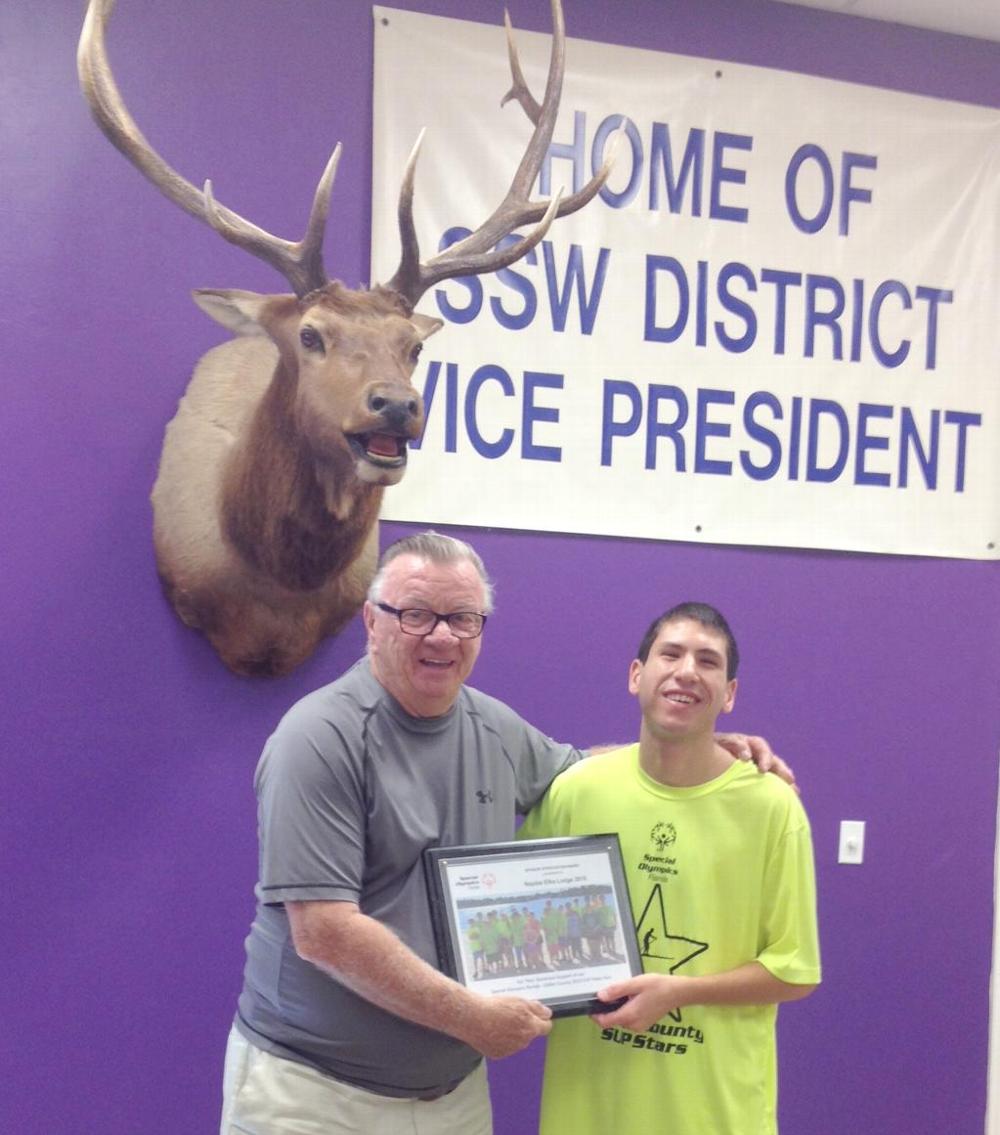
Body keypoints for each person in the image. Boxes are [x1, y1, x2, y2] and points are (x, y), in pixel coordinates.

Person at [219, 533, 792, 1135]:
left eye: (463, 619)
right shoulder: (318, 737)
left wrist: (698, 748)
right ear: (372, 621)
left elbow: (587, 771)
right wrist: (470, 1017)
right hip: (313, 1094)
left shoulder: (494, 728)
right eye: (417, 615)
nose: (442, 636)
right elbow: (324, 932)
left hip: (450, 1096)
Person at [519, 601, 821, 1135]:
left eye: (708, 661)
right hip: (587, 1114)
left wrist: (679, 992)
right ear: (637, 675)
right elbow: (519, 924)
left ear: (729, 694)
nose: (686, 670)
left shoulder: (774, 807)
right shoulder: (575, 791)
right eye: (671, 653)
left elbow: (793, 971)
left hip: (716, 1115)